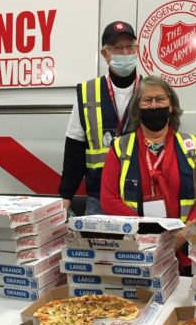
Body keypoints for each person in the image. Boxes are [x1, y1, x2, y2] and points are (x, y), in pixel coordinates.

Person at [100, 75, 196, 275]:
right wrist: (147, 233)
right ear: (137, 108)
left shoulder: (192, 146)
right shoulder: (121, 147)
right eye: (147, 100)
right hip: (135, 247)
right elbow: (108, 199)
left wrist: (182, 235)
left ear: (171, 105)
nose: (154, 105)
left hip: (186, 248)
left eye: (160, 99)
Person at [59, 21, 143, 215]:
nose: (124, 53)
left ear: (137, 50)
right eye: (117, 48)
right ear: (105, 54)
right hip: (100, 198)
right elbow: (74, 150)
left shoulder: (151, 92)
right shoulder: (88, 93)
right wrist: (66, 196)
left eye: (129, 47)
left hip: (142, 196)